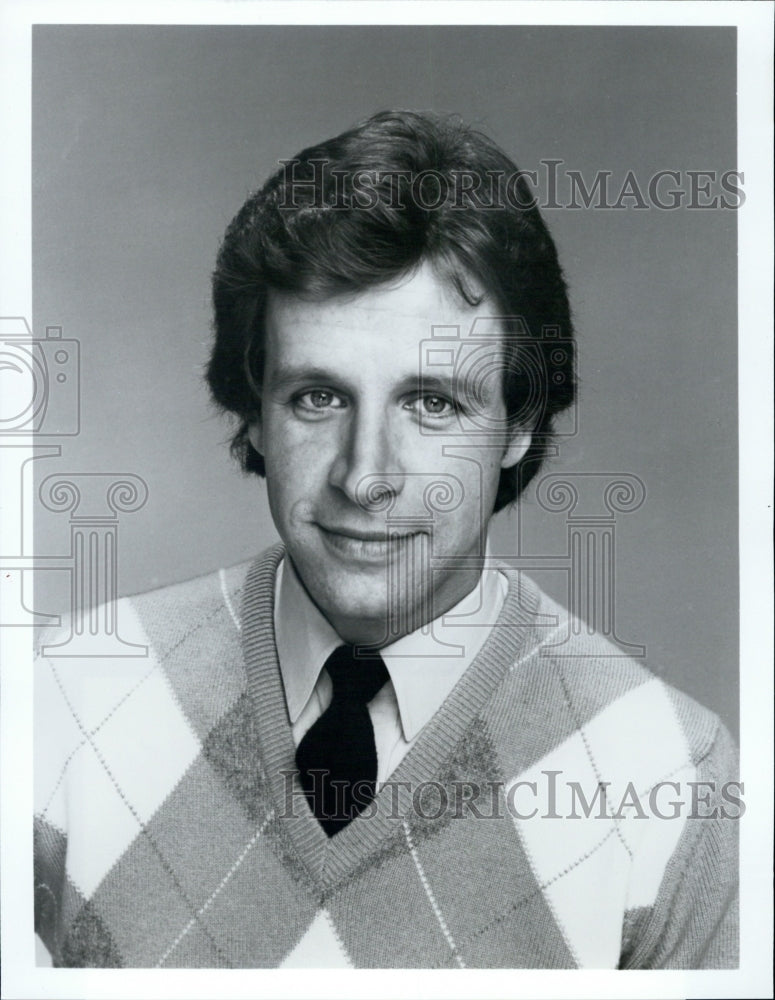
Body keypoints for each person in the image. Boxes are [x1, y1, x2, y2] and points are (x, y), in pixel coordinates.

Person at [34, 110, 738, 969]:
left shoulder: (666, 772)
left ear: (517, 423)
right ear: (255, 411)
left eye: (432, 403)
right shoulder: (57, 701)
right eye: (318, 397)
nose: (366, 475)